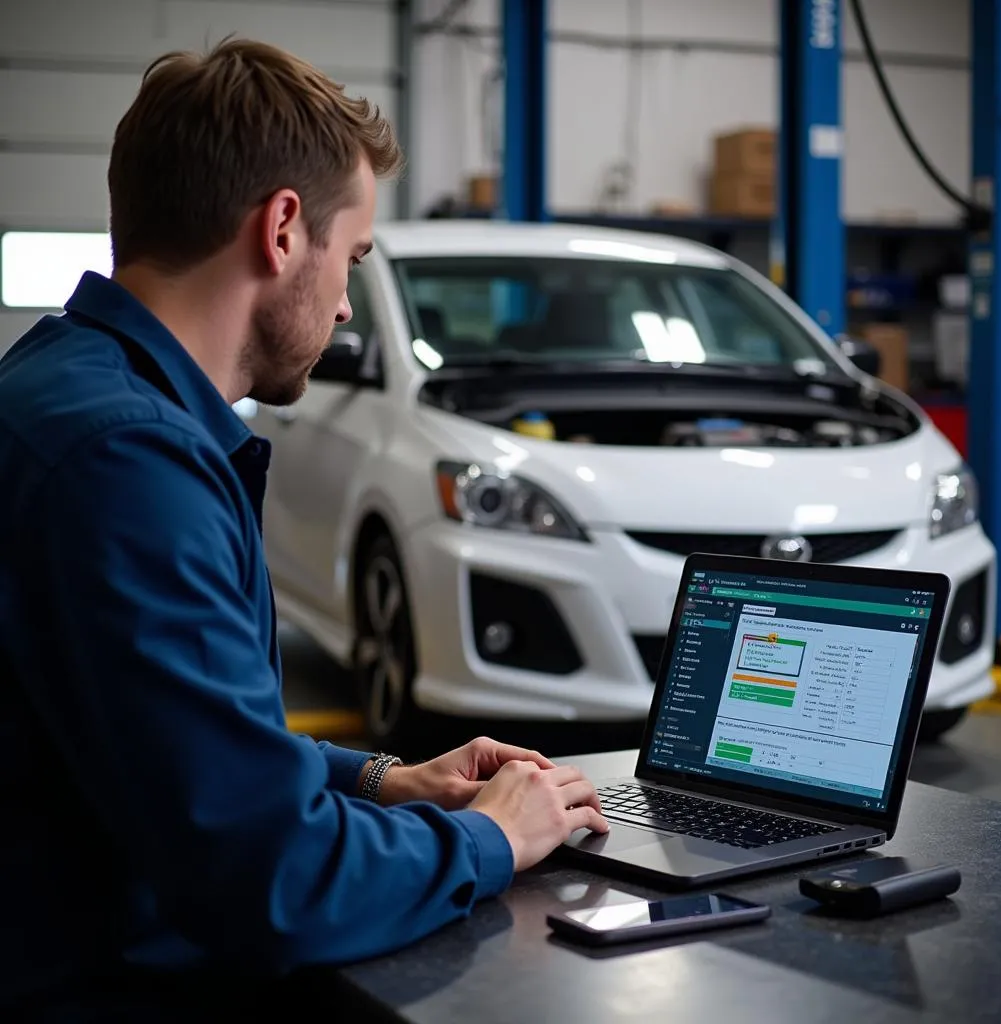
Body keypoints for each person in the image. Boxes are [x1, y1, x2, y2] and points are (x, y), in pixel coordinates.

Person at [0, 38, 608, 1013]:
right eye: (353, 261)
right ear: (283, 229)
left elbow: (174, 741)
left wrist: (383, 779)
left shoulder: (65, 394)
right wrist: (491, 837)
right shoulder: (127, 464)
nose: (342, 307)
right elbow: (271, 877)